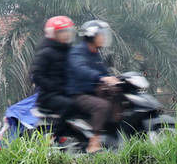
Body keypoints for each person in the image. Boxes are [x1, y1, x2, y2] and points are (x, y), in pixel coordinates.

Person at [66, 20, 118, 153]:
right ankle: (93, 144)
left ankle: (115, 135)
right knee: (102, 106)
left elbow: (105, 72)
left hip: (92, 92)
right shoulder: (77, 52)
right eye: (101, 34)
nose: (104, 37)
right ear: (92, 35)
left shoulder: (95, 53)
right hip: (78, 95)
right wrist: (101, 78)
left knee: (119, 96)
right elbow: (81, 69)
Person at [29, 16, 75, 133]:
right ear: (53, 34)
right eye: (62, 32)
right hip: (49, 96)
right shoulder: (45, 52)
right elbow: (37, 75)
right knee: (70, 105)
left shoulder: (70, 51)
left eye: (67, 31)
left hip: (67, 91)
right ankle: (59, 134)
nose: (66, 34)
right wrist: (57, 87)